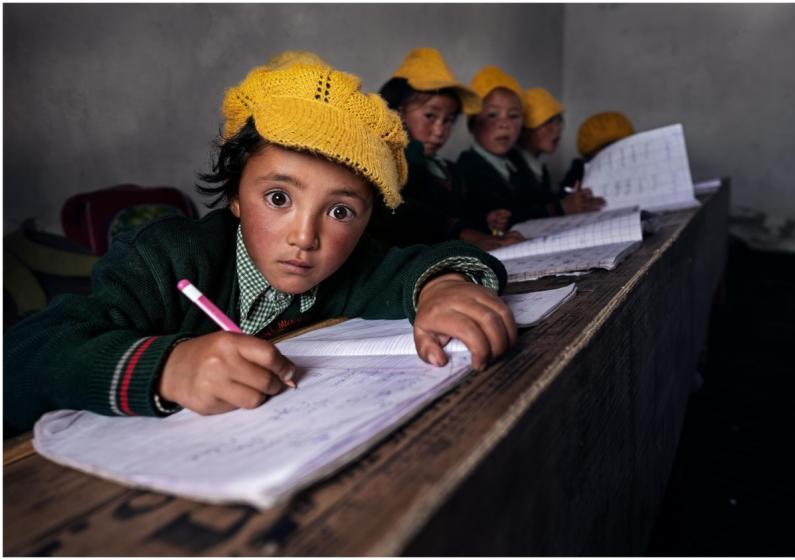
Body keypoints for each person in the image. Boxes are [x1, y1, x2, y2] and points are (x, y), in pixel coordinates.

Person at [4, 53, 517, 434]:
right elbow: (24, 357)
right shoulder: (163, 258)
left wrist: (444, 286)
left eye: (340, 211)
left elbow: (421, 261)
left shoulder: (347, 268)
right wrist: (166, 367)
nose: (304, 236)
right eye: (277, 197)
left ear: (365, 225)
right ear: (233, 195)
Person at [369, 47, 521, 251]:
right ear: (398, 112)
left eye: (448, 120)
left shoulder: (450, 170)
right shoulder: (387, 166)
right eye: (430, 116)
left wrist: (485, 222)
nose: (440, 130)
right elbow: (407, 215)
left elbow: (458, 214)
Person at [456, 66, 559, 235]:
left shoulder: (518, 164)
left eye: (513, 116)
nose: (504, 124)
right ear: (472, 123)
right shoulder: (467, 168)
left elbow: (539, 201)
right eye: (492, 115)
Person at [511, 87, 605, 214]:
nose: (557, 129)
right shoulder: (513, 169)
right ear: (526, 129)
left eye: (558, 121)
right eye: (548, 122)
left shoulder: (540, 171)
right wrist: (562, 206)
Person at [561, 111, 635, 193]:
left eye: (616, 146)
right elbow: (565, 192)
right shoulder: (579, 170)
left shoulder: (636, 165)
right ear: (590, 155)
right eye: (603, 148)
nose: (610, 154)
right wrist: (572, 193)